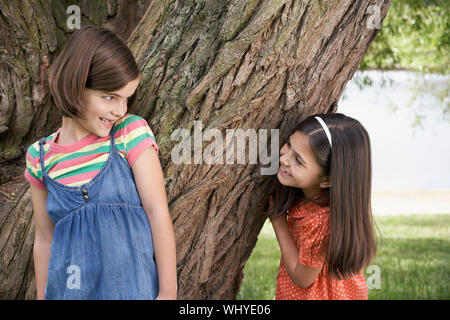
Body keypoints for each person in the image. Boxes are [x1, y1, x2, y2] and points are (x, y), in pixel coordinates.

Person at [23, 26, 177, 300]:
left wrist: (168, 292)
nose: (120, 110)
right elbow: (45, 239)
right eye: (109, 97)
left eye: (126, 98)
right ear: (76, 85)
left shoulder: (129, 133)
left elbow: (157, 212)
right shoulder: (41, 158)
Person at [266, 113, 377, 299]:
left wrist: (278, 222)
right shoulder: (317, 201)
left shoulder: (321, 221)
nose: (284, 159)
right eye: (289, 145)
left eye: (298, 160)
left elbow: (303, 278)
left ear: (327, 179)